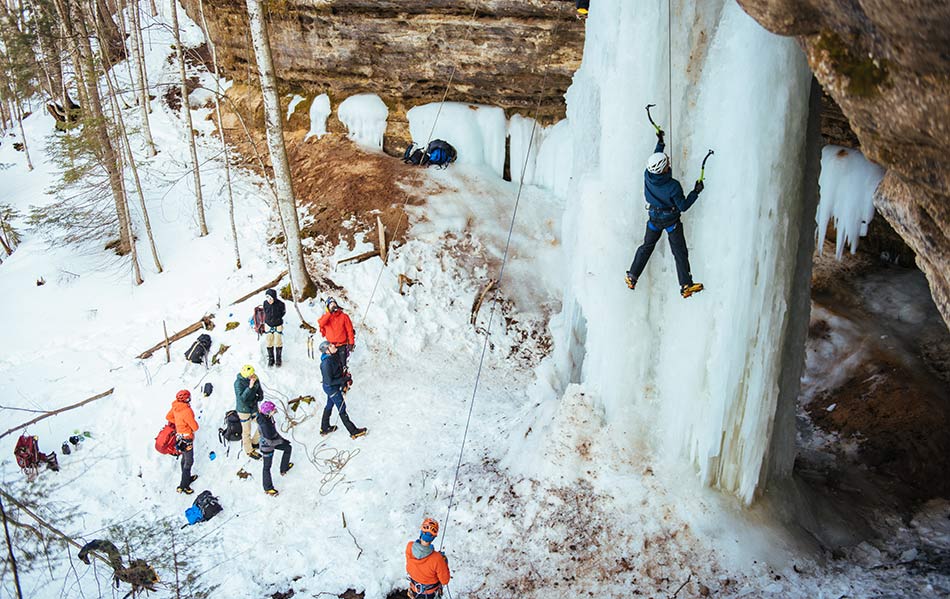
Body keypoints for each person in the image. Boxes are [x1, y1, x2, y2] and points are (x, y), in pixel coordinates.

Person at [625, 128, 705, 298]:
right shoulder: (672, 186)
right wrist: (695, 192)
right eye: (667, 162)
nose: (669, 162)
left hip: (654, 218)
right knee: (679, 252)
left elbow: (656, 157)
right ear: (664, 168)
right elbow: (683, 206)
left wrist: (660, 143)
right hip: (671, 222)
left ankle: (632, 276)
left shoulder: (648, 175)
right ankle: (686, 285)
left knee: (646, 247)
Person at [319, 341, 366, 439]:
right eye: (331, 346)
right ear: (327, 351)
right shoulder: (326, 364)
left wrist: (345, 375)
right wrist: (344, 379)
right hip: (332, 389)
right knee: (342, 408)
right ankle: (353, 431)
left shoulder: (333, 357)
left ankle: (324, 427)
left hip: (333, 387)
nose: (334, 346)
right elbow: (329, 381)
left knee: (329, 404)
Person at [405, 518, 451, 598]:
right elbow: (445, 580)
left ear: (421, 532)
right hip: (429, 594)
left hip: (415, 589)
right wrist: (444, 562)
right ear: (433, 538)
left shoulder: (410, 546)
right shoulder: (437, 559)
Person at [166, 389, 199, 494]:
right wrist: (184, 424)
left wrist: (179, 423)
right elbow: (195, 427)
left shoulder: (176, 406)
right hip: (187, 438)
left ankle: (186, 478)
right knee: (189, 461)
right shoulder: (186, 411)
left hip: (179, 437)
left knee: (184, 458)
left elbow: (168, 417)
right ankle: (184, 485)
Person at [256, 401, 293, 496]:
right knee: (267, 467)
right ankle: (268, 488)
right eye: (272, 410)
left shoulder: (268, 418)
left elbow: (274, 433)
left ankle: (284, 468)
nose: (274, 411)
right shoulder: (264, 424)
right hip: (267, 447)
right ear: (267, 412)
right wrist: (281, 441)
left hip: (274, 441)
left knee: (288, 448)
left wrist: (283, 440)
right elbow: (270, 441)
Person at [234, 364, 263, 460]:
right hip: (244, 410)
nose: (253, 376)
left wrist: (259, 396)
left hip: (253, 407)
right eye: (251, 375)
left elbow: (259, 391)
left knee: (262, 423)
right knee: (246, 431)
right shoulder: (238, 383)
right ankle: (249, 450)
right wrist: (250, 387)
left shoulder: (255, 378)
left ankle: (255, 442)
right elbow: (242, 398)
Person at [318, 297, 355, 367]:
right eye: (331, 304)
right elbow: (321, 324)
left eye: (334, 303)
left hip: (342, 345)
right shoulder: (326, 317)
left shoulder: (344, 316)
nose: (333, 305)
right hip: (331, 346)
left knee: (342, 364)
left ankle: (344, 375)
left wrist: (351, 343)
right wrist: (329, 313)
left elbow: (350, 330)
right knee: (333, 365)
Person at [263, 289, 286, 367]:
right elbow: (265, 311)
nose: (269, 300)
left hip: (278, 325)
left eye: (270, 298)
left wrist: (278, 318)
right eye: (267, 298)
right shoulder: (265, 303)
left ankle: (278, 359)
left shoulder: (280, 304)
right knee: (269, 342)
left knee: (278, 342)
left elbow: (283, 312)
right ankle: (271, 358)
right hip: (268, 324)